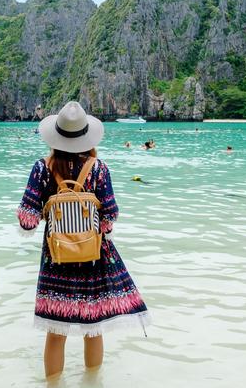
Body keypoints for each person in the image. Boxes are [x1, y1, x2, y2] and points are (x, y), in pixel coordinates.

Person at [17, 101, 151, 380]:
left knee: (56, 332)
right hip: (93, 258)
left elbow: (26, 221)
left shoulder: (42, 168)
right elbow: (109, 217)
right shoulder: (99, 169)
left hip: (56, 260)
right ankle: (93, 383)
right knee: (94, 329)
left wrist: (51, 212)